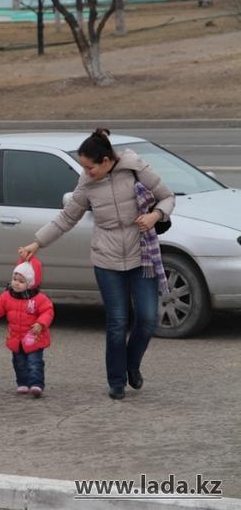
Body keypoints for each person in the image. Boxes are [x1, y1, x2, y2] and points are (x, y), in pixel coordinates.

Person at [19, 128, 175, 401]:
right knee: (116, 322)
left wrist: (156, 215)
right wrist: (37, 243)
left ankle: (132, 364)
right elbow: (67, 218)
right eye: (82, 167)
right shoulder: (87, 182)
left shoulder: (135, 168)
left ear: (106, 161)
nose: (85, 172)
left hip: (142, 255)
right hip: (106, 259)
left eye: (89, 167)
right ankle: (116, 381)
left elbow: (168, 196)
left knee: (148, 319)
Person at [0, 257, 54, 398]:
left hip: (35, 338)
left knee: (34, 363)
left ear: (31, 283)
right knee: (19, 363)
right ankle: (22, 383)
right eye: (15, 279)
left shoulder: (39, 299)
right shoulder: (7, 297)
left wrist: (41, 323)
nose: (16, 283)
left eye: (21, 281)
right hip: (16, 338)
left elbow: (48, 311)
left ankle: (36, 384)